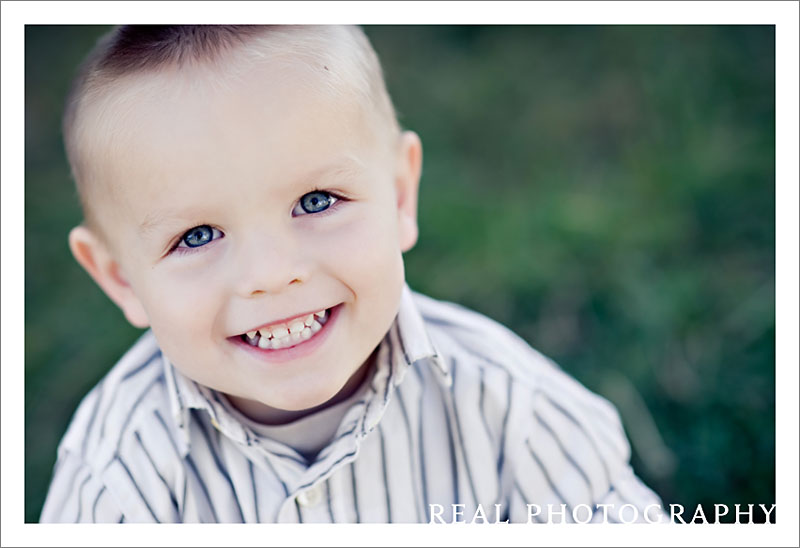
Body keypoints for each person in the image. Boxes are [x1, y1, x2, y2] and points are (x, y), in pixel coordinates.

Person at [40, 25, 664, 523]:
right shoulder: (119, 478)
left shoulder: (509, 408)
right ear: (120, 279)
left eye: (316, 202)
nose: (272, 275)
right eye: (197, 236)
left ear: (399, 197)